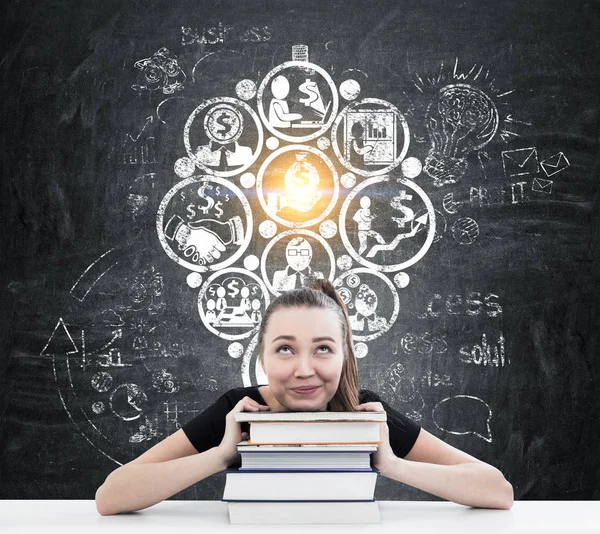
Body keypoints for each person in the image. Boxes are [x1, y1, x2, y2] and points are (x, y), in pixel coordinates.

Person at [95, 279, 514, 515]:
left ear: (344, 353)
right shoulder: (238, 412)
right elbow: (112, 496)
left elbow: (496, 490)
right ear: (261, 355)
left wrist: (389, 462)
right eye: (284, 348)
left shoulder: (364, 412)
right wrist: (222, 454)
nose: (304, 369)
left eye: (323, 349)